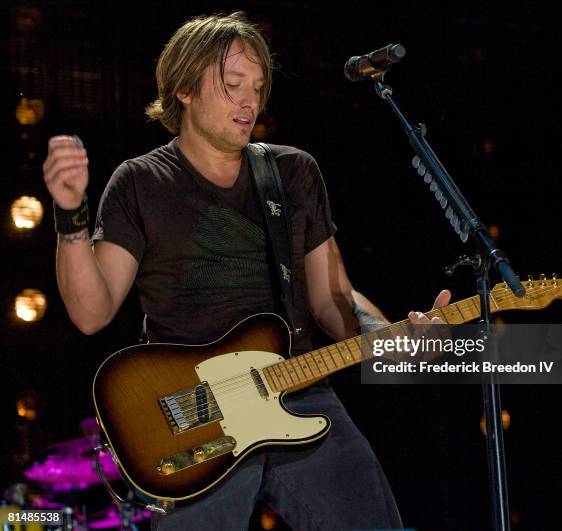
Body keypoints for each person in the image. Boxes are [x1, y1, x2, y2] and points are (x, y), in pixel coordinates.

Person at [43, 11, 450, 530]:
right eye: (232, 85)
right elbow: (90, 312)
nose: (249, 101)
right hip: (194, 415)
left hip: (301, 389)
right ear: (185, 88)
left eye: (257, 87)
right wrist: (69, 217)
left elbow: (333, 298)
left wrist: (390, 336)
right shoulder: (140, 182)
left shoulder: (292, 171)